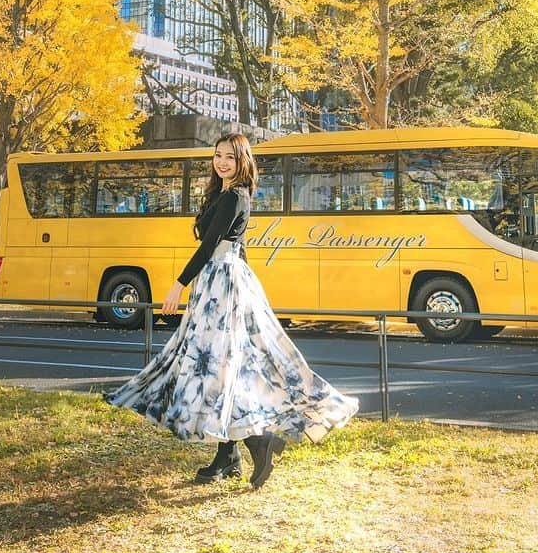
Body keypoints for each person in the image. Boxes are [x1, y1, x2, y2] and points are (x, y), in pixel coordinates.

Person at [104, 132, 358, 488]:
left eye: (230, 157)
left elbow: (210, 247)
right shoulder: (225, 195)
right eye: (218, 155)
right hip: (220, 284)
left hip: (220, 284)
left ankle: (256, 442)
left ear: (243, 162)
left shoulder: (235, 196)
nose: (222, 162)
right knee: (225, 368)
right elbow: (236, 248)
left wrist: (179, 284)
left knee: (219, 367)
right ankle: (230, 456)